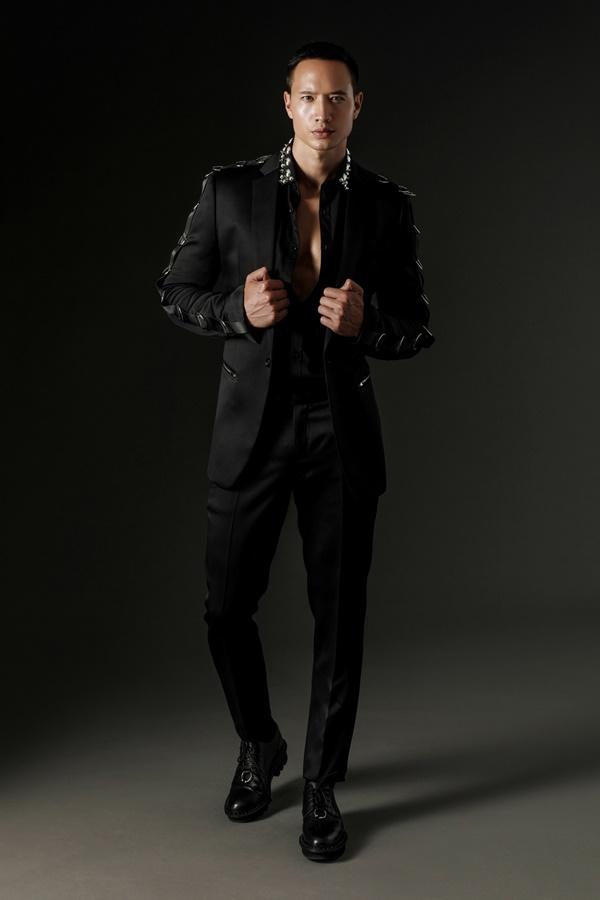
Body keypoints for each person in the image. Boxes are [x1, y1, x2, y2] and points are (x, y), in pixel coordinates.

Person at [155, 40, 434, 862]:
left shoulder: (385, 205)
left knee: (338, 619)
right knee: (225, 607)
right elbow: (175, 290)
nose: (322, 112)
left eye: (337, 97)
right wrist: (235, 312)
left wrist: (369, 325)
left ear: (357, 107)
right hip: (252, 429)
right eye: (308, 97)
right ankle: (260, 741)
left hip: (337, 431)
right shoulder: (229, 191)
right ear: (287, 105)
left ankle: (320, 784)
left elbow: (417, 324)